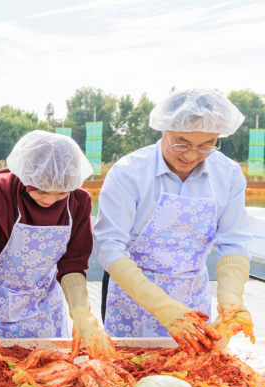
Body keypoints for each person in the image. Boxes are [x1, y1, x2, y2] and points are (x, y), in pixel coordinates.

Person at [94, 88, 251, 354]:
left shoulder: (228, 174)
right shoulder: (129, 173)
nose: (190, 156)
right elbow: (109, 246)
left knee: (192, 377)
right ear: (164, 129)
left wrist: (232, 297)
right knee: (132, 378)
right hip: (135, 299)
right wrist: (162, 307)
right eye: (181, 143)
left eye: (206, 145)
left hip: (193, 298)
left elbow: (234, 242)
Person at [0, 131, 116, 360]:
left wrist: (82, 312)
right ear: (25, 173)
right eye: (40, 190)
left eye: (61, 193)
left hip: (43, 308)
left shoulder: (79, 202)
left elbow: (72, 266)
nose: (49, 200)